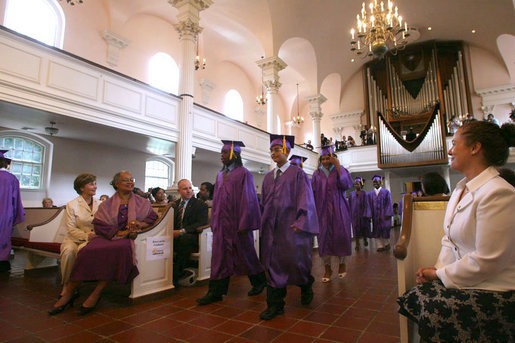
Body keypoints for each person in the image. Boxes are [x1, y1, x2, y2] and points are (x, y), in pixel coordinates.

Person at [397, 121, 515, 343]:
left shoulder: (498, 192)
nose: (450, 150)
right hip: (472, 278)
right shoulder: (461, 187)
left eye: (455, 143)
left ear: (474, 148)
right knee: (415, 296)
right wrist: (439, 268)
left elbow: (488, 260)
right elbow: (449, 240)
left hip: (496, 286)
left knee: (430, 306)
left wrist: (440, 275)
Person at [49, 171, 158, 315]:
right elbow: (99, 223)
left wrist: (139, 224)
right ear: (117, 184)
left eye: (132, 179)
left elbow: (152, 218)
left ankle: (96, 293)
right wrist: (115, 232)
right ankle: (69, 292)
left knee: (118, 250)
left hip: (127, 239)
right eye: (126, 180)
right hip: (108, 236)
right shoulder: (107, 203)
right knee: (87, 250)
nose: (130, 182)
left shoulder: (142, 202)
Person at [197, 140, 266, 305]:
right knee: (219, 258)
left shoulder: (244, 173)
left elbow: (249, 200)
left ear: (235, 154)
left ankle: (260, 281)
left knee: (246, 254)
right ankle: (215, 292)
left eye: (225, 152)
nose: (222, 155)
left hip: (238, 224)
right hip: (222, 225)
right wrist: (214, 221)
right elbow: (216, 201)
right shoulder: (220, 175)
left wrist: (244, 223)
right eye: (221, 152)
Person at [259, 134, 319, 320]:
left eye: (277, 150)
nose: (273, 153)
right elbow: (263, 203)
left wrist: (301, 223)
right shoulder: (269, 177)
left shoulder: (298, 174)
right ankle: (275, 305)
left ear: (286, 150)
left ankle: (306, 283)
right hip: (271, 229)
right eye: (271, 151)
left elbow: (306, 200)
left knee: (296, 264)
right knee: (272, 265)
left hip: (291, 227)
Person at [312, 145, 353, 283]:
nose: (325, 161)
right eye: (322, 159)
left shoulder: (340, 170)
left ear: (333, 158)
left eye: (327, 158)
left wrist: (338, 166)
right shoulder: (316, 174)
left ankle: (342, 264)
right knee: (323, 239)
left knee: (340, 236)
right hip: (322, 210)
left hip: (339, 209)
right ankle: (327, 268)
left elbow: (346, 185)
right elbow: (312, 194)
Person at [56, 173, 100, 301]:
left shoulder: (101, 203)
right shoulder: (72, 204)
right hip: (73, 237)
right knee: (68, 252)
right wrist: (87, 236)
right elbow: (71, 228)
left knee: (82, 250)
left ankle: (77, 284)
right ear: (81, 188)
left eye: (95, 184)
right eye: (91, 184)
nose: (95, 187)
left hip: (94, 239)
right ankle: (66, 285)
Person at [172, 179, 208, 285]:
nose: (188, 191)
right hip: (175, 235)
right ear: (179, 191)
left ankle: (175, 275)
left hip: (194, 236)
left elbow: (200, 223)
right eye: (185, 189)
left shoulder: (200, 205)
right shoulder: (175, 205)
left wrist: (182, 231)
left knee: (184, 239)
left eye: (190, 188)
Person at [0, 150, 24, 273]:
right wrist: (14, 215)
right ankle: (2, 263)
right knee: (3, 237)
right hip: (5, 214)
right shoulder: (11, 179)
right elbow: (15, 200)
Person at [369, 175, 394, 252]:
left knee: (385, 229)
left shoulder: (386, 192)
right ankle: (379, 245)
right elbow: (368, 205)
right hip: (375, 216)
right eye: (374, 182)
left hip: (384, 215)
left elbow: (389, 203)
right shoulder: (370, 194)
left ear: (381, 182)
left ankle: (387, 243)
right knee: (376, 230)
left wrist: (388, 213)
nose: (375, 183)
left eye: (377, 182)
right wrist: (369, 215)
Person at [348, 177, 372, 251]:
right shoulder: (351, 194)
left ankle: (365, 240)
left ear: (361, 185)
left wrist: (367, 214)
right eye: (355, 184)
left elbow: (367, 204)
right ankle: (357, 244)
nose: (356, 186)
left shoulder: (365, 193)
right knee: (356, 230)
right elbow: (349, 204)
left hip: (363, 215)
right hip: (354, 215)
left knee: (364, 229)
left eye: (357, 184)